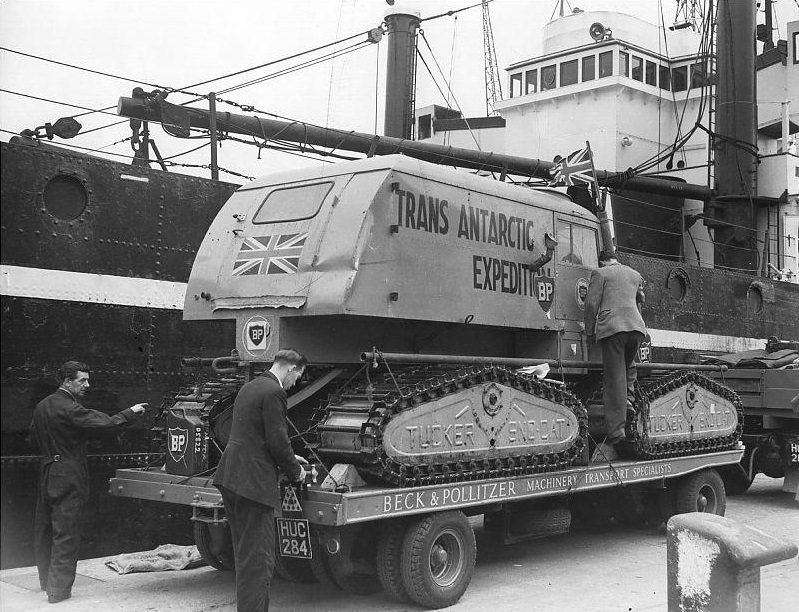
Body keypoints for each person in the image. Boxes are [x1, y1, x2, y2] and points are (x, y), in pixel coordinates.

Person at [30, 361, 146, 604]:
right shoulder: (70, 408)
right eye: (82, 380)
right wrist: (131, 412)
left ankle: (45, 583)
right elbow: (106, 424)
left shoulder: (42, 406)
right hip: (69, 473)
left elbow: (34, 436)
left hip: (47, 471)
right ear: (67, 381)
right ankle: (58, 592)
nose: (87, 385)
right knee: (66, 532)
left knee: (45, 530)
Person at [213, 349, 308, 612]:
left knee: (245, 557)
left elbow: (254, 434)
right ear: (290, 369)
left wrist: (291, 456)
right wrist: (294, 470)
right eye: (297, 377)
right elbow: (277, 440)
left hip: (232, 477)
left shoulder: (251, 387)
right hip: (253, 485)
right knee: (259, 561)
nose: (295, 384)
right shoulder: (274, 393)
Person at [584, 250, 647, 461]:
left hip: (614, 329)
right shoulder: (634, 274)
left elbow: (591, 304)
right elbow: (640, 300)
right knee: (628, 368)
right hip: (637, 329)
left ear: (602, 261)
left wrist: (590, 332)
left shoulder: (600, 274)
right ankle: (628, 402)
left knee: (614, 379)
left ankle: (616, 432)